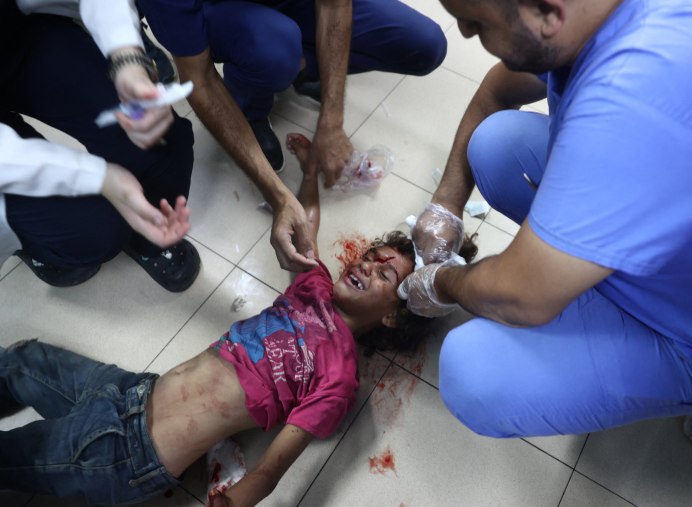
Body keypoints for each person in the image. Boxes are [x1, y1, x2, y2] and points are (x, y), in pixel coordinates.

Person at [0, 133, 477, 506]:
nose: (365, 264)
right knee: (22, 360)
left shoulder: (339, 377)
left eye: (384, 273)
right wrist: (309, 173)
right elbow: (305, 224)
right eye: (370, 255)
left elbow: (274, 466)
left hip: (127, 451)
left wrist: (246, 494)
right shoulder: (312, 287)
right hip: (133, 390)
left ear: (395, 315)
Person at [399, 0, 692, 454]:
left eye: (476, 24)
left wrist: (442, 281)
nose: (468, 36)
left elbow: (520, 296)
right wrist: (448, 202)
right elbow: (496, 91)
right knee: (496, 144)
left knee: (474, 373)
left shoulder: (639, 97)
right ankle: (585, 277)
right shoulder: (596, 15)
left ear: (548, 12)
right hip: (688, 236)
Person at [137, 0, 447, 271]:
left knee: (425, 44)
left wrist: (332, 120)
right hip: (218, 9)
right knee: (274, 48)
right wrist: (279, 196)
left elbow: (335, 4)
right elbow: (199, 78)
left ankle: (301, 66)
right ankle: (251, 104)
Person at [1, 0, 199, 291]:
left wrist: (127, 59)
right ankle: (35, 246)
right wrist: (97, 176)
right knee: (91, 231)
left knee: (161, 142)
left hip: (15, 37)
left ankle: (147, 232)